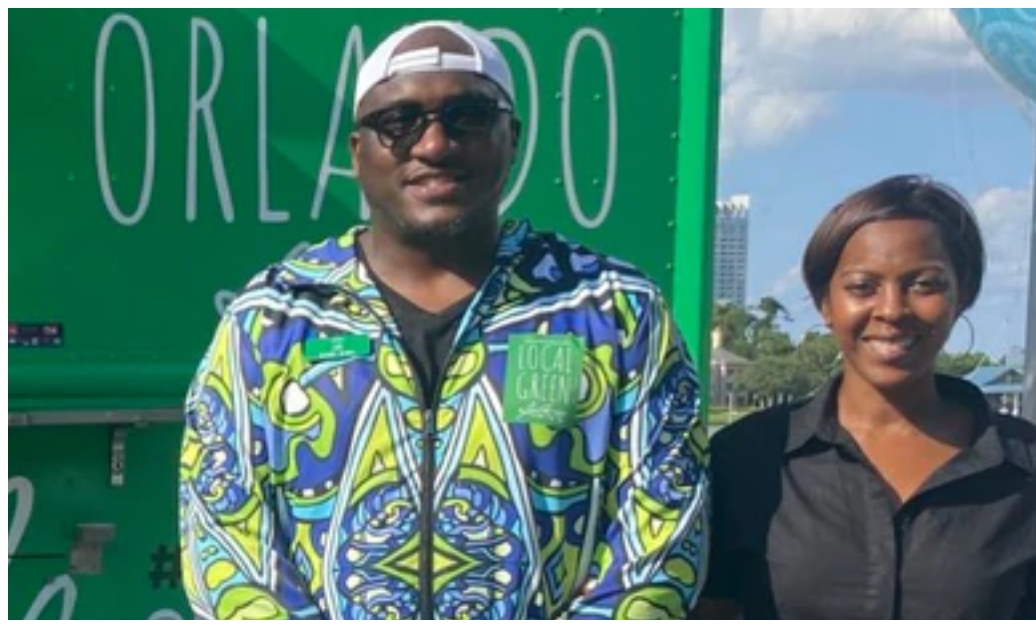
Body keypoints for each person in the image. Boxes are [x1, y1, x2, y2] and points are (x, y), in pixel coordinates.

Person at [178, 19, 708, 620]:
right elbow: (223, 541)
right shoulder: (273, 321)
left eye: (468, 117)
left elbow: (662, 540)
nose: (433, 145)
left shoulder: (611, 311)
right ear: (359, 152)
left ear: (513, 137)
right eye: (398, 123)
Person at [695, 175, 1036, 619]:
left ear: (961, 295)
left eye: (924, 284)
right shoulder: (746, 459)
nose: (892, 309)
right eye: (862, 287)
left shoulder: (1030, 467)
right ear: (824, 302)